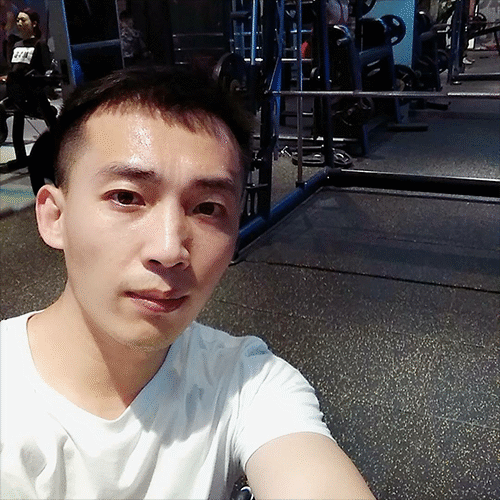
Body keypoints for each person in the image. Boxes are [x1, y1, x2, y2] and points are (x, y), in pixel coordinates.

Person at [0, 65, 375, 500]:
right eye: (126, 197)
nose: (169, 249)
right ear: (55, 217)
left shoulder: (247, 382)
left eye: (207, 208)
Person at [0, 7, 56, 165]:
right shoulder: (17, 44)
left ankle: (57, 150)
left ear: (34, 23)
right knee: (16, 120)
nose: (19, 23)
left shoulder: (40, 44)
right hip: (17, 91)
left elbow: (45, 69)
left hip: (34, 91)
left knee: (50, 121)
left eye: (23, 20)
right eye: (18, 20)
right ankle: (21, 157)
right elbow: (14, 67)